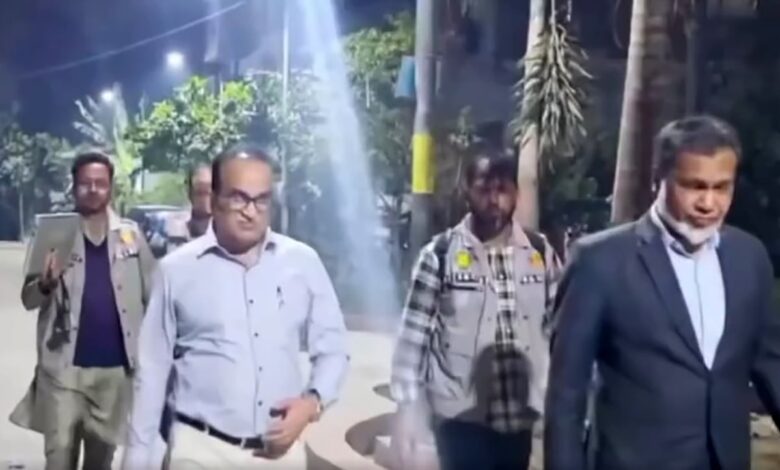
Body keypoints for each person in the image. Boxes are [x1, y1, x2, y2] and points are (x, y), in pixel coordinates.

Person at [545, 115, 780, 470]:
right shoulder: (598, 261)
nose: (709, 203)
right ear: (658, 180)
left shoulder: (750, 258)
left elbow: (771, 365)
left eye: (722, 188)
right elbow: (566, 395)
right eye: (694, 186)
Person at [123, 144, 349, 468]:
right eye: (239, 198)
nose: (250, 211)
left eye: (261, 200)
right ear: (215, 200)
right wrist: (136, 460)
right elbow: (152, 373)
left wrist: (311, 403)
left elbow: (334, 350)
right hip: (200, 451)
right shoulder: (176, 270)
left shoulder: (303, 263)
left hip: (280, 456)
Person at [390, 151, 561, 470]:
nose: (494, 200)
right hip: (459, 422)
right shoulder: (440, 255)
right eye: (484, 189)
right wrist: (406, 408)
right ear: (466, 190)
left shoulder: (540, 253)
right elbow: (413, 338)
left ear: (516, 193)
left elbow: (560, 329)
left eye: (502, 189)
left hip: (519, 420)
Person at [10, 150, 156, 470]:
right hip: (63, 370)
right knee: (59, 457)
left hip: (115, 374)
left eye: (100, 183)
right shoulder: (53, 234)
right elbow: (28, 299)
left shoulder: (130, 236)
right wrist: (45, 285)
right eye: (85, 183)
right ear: (73, 187)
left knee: (100, 462)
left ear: (111, 187)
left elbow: (155, 297)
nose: (93, 189)